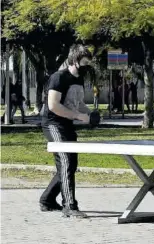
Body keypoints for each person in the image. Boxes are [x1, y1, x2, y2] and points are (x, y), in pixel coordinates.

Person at [39, 44, 95, 218]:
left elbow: (77, 104)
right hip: (53, 124)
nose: (87, 66)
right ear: (74, 60)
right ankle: (70, 206)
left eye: (88, 63)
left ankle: (47, 200)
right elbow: (53, 106)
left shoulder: (79, 79)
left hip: (68, 125)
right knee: (65, 162)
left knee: (71, 165)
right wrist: (79, 116)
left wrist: (90, 114)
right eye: (84, 62)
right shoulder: (58, 78)